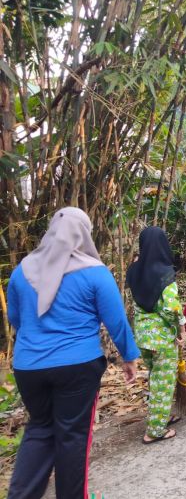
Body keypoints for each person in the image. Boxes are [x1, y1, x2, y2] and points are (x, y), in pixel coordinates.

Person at [7, 207, 140, 499]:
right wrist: (128, 357)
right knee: (72, 437)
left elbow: (16, 319)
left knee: (40, 428)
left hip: (28, 367)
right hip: (77, 367)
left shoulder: (22, 271)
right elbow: (116, 321)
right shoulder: (95, 272)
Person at [126, 227, 186, 445]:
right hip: (162, 339)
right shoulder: (165, 273)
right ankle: (155, 431)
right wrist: (181, 330)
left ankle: (160, 417)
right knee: (164, 382)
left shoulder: (133, 270)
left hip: (143, 337)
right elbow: (171, 308)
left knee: (155, 379)